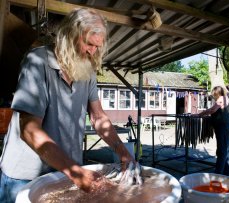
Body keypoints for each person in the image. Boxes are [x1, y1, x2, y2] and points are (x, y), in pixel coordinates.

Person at [0, 8, 140, 202]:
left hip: (67, 171)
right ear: (68, 36)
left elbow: (98, 117)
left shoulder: (88, 71)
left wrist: (123, 153)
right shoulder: (37, 61)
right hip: (26, 175)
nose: (92, 51)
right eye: (88, 44)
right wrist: (75, 172)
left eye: (97, 47)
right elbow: (29, 129)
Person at [198, 86, 229, 176]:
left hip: (223, 127)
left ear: (217, 93)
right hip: (225, 126)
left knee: (222, 151)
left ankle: (218, 174)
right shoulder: (225, 98)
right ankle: (226, 173)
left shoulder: (222, 98)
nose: (213, 96)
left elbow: (213, 109)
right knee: (227, 150)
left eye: (214, 94)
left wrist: (200, 114)